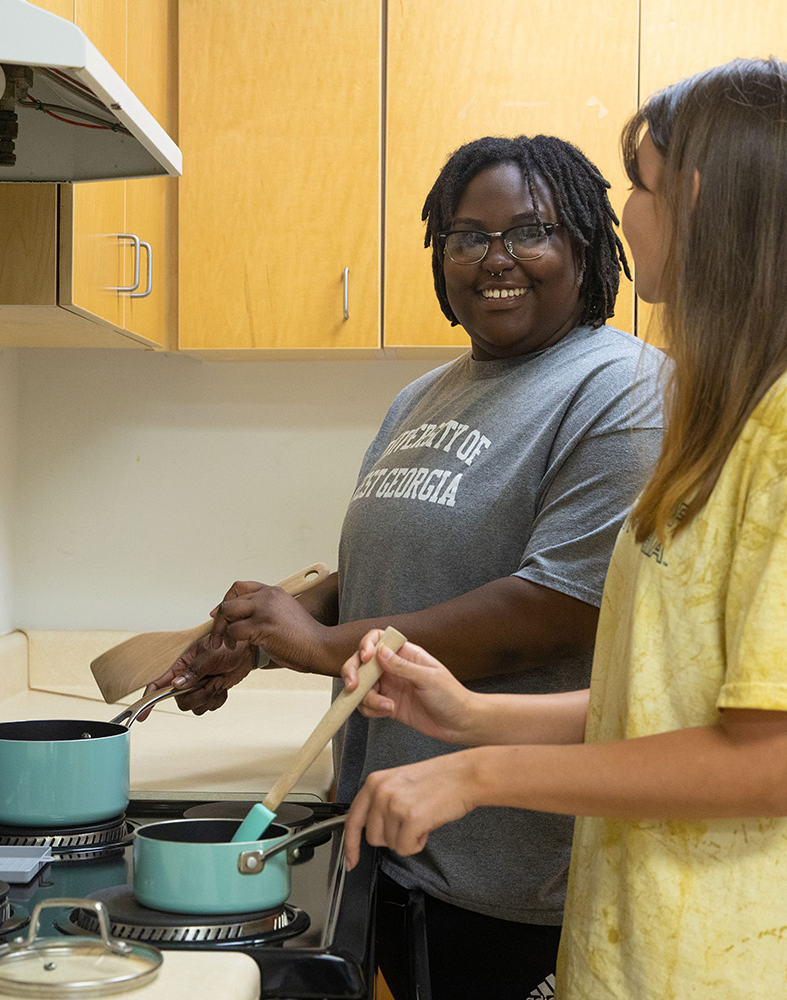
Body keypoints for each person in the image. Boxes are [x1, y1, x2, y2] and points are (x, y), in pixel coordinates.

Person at [337, 58, 787, 999]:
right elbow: (687, 699)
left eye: (640, 184)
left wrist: (475, 775)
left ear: (697, 196)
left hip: (758, 958)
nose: (627, 210)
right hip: (671, 944)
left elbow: (766, 766)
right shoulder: (746, 402)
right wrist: (474, 716)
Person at [144, 134, 665, 1000]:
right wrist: (267, 628)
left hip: (519, 876)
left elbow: (557, 609)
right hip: (396, 846)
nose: (496, 259)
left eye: (529, 231)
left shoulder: (621, 388)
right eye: (468, 236)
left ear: (583, 246)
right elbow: (393, 566)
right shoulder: (423, 396)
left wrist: (317, 646)